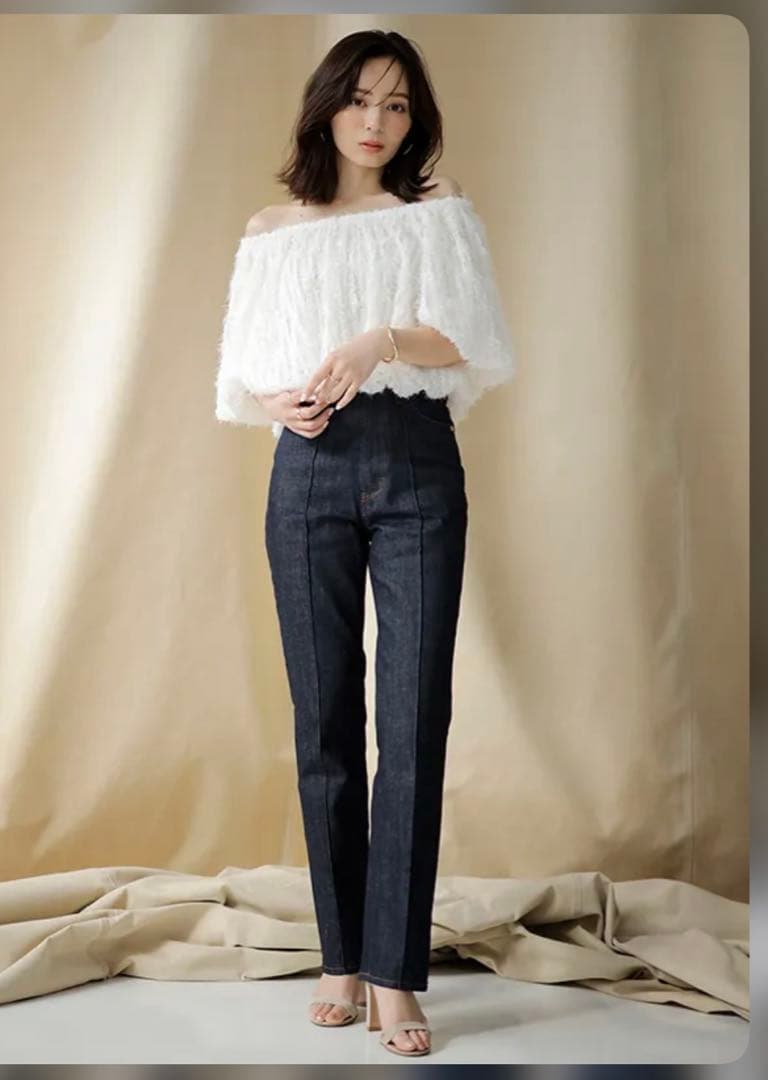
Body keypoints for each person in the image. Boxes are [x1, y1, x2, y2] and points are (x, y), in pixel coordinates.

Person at [215, 29, 516, 1057]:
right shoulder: (271, 228)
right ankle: (340, 957)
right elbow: (242, 370)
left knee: (414, 718)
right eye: (360, 101)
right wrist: (278, 398)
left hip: (416, 464)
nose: (377, 122)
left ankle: (395, 974)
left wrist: (376, 340)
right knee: (325, 725)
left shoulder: (436, 210)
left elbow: (469, 335)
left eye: (397, 105)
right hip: (306, 472)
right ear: (327, 106)